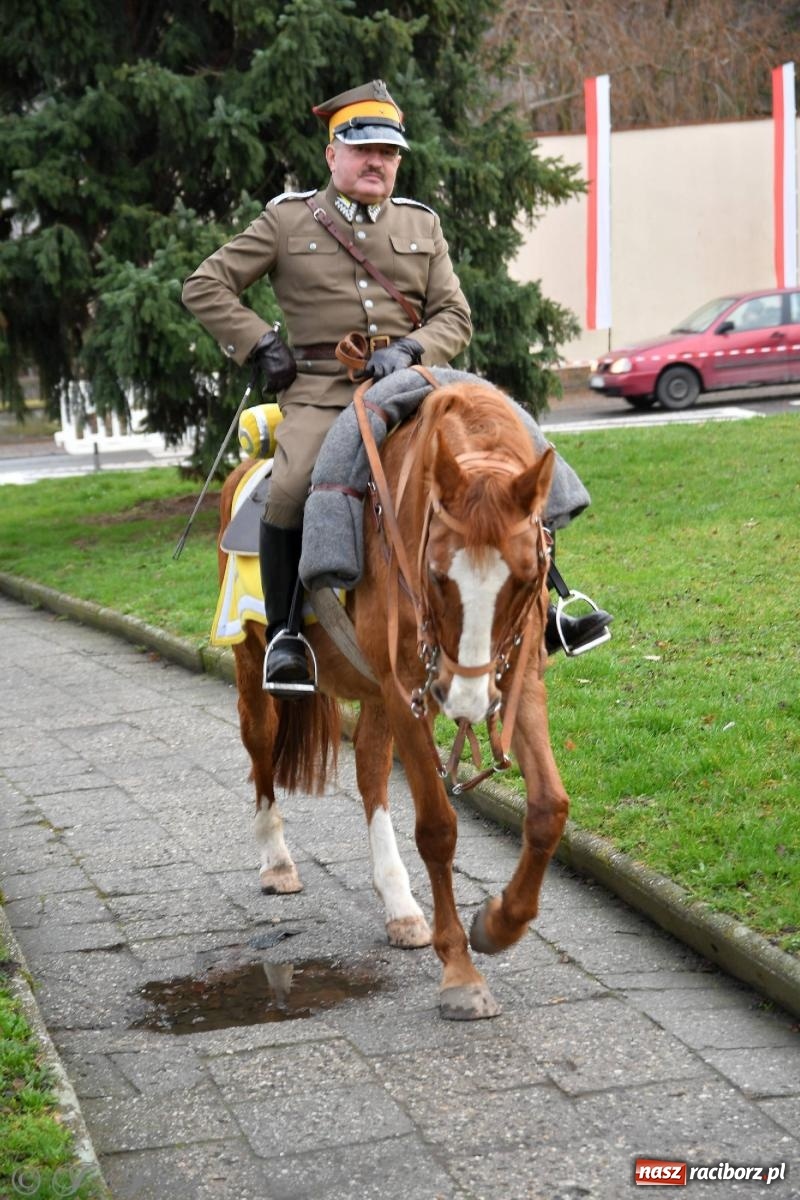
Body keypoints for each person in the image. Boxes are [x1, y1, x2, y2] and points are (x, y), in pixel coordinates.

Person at [183, 79, 610, 696]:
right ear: (333, 155)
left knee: (504, 452)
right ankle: (285, 637)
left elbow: (454, 317)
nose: (377, 161)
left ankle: (552, 609)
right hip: (323, 392)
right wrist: (258, 342)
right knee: (293, 483)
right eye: (362, 150)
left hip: (414, 383)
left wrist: (411, 349)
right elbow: (204, 285)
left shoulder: (420, 225)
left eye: (388, 152)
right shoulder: (286, 220)